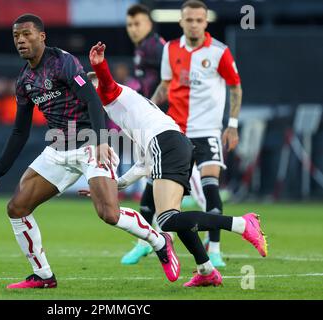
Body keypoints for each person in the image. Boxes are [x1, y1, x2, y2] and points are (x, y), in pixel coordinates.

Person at [0, 14, 178, 290]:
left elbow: (92, 99)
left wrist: (101, 139)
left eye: (27, 34)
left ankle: (158, 240)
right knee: (16, 208)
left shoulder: (62, 62)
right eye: (16, 36)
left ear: (42, 36)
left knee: (109, 213)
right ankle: (43, 275)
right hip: (58, 149)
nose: (21, 40)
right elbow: (19, 132)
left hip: (90, 144)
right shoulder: (24, 81)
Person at [86, 41, 266, 287]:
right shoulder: (125, 108)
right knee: (177, 218)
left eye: (89, 89)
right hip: (174, 143)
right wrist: (114, 184)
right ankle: (206, 271)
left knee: (168, 219)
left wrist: (99, 65)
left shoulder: (109, 94)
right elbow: (142, 164)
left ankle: (243, 224)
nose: (87, 98)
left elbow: (104, 82)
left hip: (168, 144)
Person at [151, 0, 243, 267]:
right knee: (157, 188)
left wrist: (233, 124)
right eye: (189, 20)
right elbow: (165, 87)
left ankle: (214, 248)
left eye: (199, 20)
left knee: (210, 183)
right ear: (181, 21)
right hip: (176, 131)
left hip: (208, 130)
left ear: (206, 22)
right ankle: (156, 244)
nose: (194, 24)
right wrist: (145, 112)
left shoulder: (219, 52)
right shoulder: (170, 49)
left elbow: (235, 88)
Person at [121, 3, 206, 266]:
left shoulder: (157, 49)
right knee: (150, 184)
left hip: (171, 130)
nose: (133, 29)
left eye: (138, 24)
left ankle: (213, 244)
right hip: (157, 130)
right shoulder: (143, 50)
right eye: (130, 25)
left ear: (149, 24)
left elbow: (174, 82)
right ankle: (146, 242)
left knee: (197, 188)